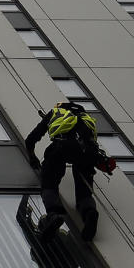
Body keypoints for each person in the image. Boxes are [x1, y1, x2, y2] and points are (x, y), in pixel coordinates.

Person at [24, 100, 110, 242]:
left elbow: (30, 140)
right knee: (84, 194)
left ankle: (54, 215)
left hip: (62, 146)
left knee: (49, 185)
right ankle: (90, 213)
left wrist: (33, 158)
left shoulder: (56, 113)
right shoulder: (86, 119)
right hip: (88, 153)